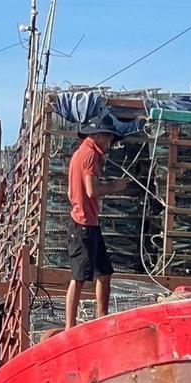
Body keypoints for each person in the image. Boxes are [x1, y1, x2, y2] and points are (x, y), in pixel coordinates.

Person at [64, 126, 124, 329]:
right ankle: (69, 326)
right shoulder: (90, 155)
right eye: (108, 139)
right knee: (79, 277)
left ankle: (102, 316)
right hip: (82, 224)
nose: (109, 144)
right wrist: (114, 187)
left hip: (89, 222)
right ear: (99, 136)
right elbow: (91, 190)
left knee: (104, 272)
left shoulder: (80, 153)